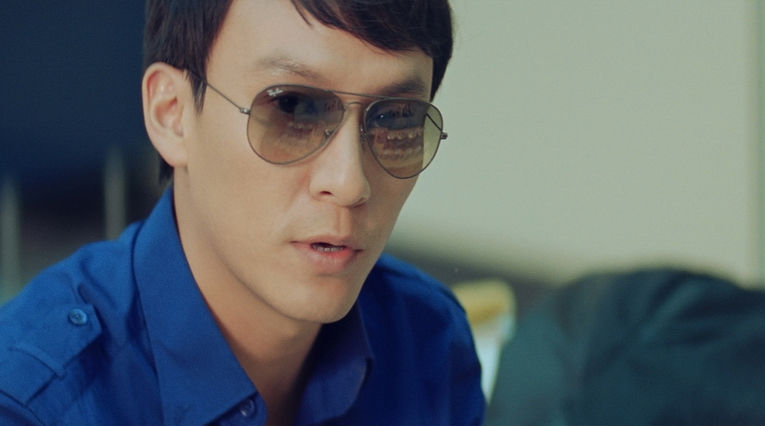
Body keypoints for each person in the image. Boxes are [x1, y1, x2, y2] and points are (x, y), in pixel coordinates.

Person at [0, 0, 485, 424]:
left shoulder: (429, 344)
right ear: (172, 114)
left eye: (396, 119)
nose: (349, 183)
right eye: (292, 108)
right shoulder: (31, 404)